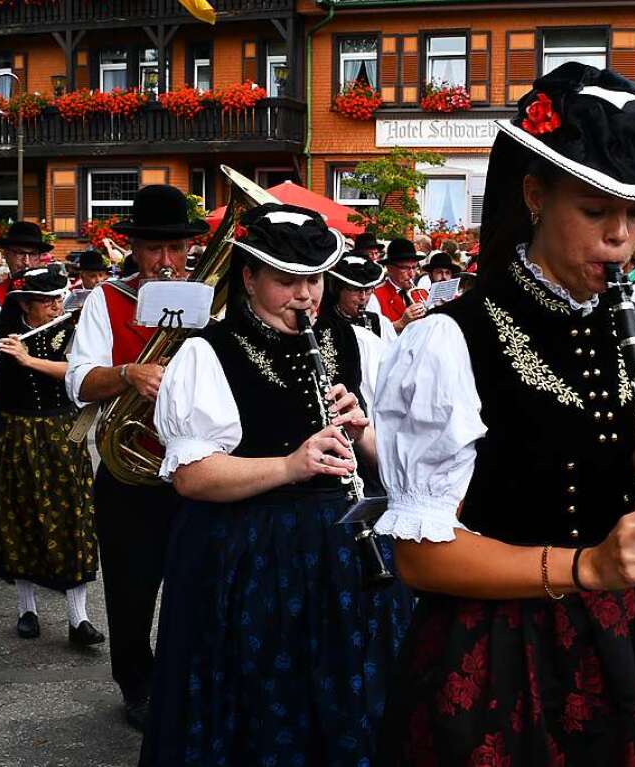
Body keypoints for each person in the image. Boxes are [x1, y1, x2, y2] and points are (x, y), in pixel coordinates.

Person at [374, 63, 635, 766]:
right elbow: (417, 554)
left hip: (634, 637)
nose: (621, 238)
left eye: (634, 215)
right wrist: (585, 565)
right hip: (501, 653)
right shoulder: (447, 339)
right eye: (595, 212)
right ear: (534, 195)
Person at [141, 203, 412, 766]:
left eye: (313, 279)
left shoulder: (362, 344)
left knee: (355, 700)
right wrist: (290, 465)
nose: (305, 296)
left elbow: (399, 464)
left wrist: (362, 433)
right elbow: (192, 477)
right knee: (262, 709)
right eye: (286, 281)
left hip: (351, 557)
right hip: (250, 555)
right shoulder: (207, 352)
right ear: (249, 278)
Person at [66, 184, 209, 731]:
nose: (167, 261)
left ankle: (190, 675)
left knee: (197, 582)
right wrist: (128, 373)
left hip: (197, 466)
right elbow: (79, 381)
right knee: (130, 588)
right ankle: (136, 683)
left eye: (177, 249)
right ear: (136, 248)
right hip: (129, 471)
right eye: (155, 249)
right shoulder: (107, 299)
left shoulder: (209, 299)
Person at [0, 264, 103, 645]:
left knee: (72, 518)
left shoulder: (73, 332)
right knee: (21, 516)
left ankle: (78, 618)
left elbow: (79, 375)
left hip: (63, 431)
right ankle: (27, 609)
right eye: (46, 301)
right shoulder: (4, 340)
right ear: (25, 306)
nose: (56, 307)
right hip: (18, 434)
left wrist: (28, 359)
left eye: (58, 298)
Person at [324, 251, 397, 342]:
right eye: (356, 290)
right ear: (338, 289)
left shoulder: (379, 323)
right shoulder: (323, 323)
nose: (363, 297)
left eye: (367, 290)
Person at [0, 221, 55, 306]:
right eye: (20, 253)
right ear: (6, 254)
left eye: (32, 254)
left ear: (39, 257)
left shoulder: (55, 293)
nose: (26, 262)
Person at [369, 238, 427, 332]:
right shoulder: (375, 296)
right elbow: (374, 333)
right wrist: (401, 323)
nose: (412, 274)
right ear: (390, 268)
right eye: (405, 268)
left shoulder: (421, 293)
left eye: (414, 267)